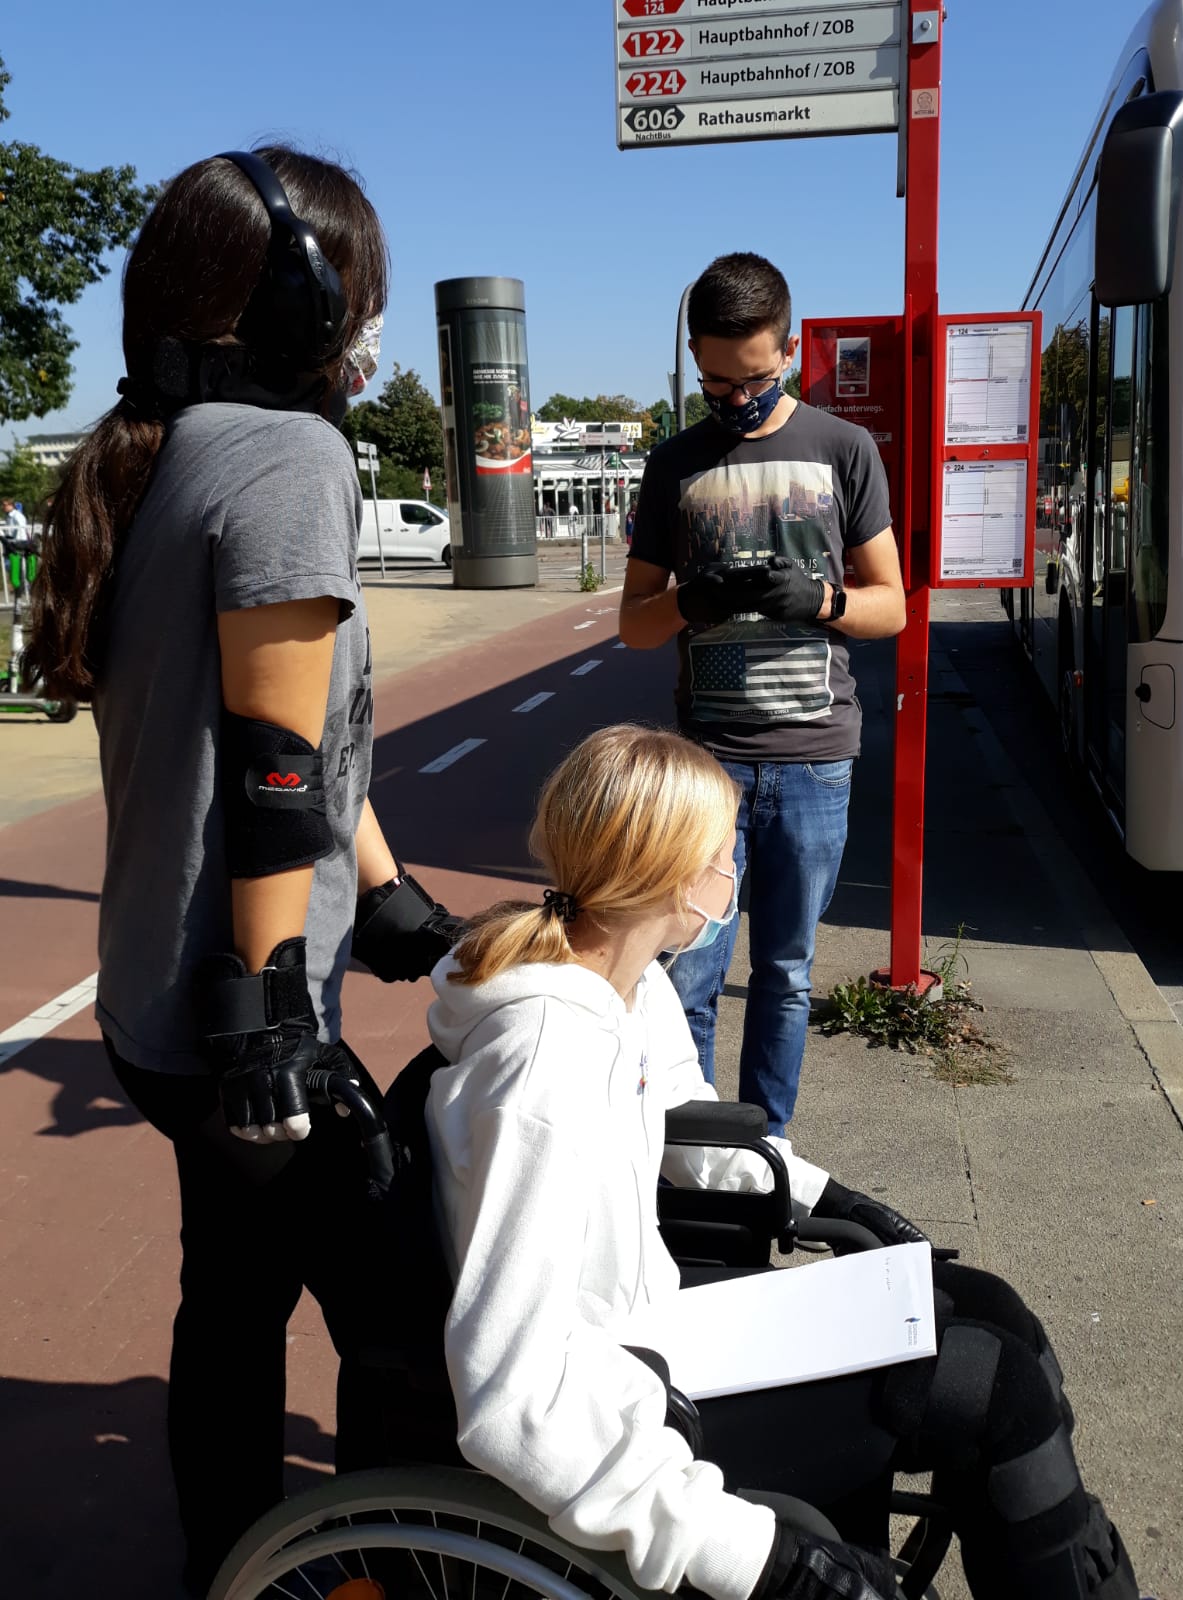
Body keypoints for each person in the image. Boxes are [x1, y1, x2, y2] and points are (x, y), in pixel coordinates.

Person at [26, 147, 460, 1597]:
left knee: (233, 1293)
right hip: (238, 1019)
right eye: (362, 292)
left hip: (160, 997)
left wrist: (386, 890)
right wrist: (276, 1011)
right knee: (404, 1314)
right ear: (303, 299)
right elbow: (278, 775)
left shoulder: (165, 449)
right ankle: (395, 1563)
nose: (368, 326)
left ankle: (231, 1563)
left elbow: (305, 735)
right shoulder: (290, 456)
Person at [424, 724, 1142, 1600]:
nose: (734, 871)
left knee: (993, 1310)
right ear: (670, 876)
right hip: (622, 1401)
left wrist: (829, 1197)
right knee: (993, 1387)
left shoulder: (627, 984)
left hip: (656, 1326)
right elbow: (514, 1399)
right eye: (723, 853)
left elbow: (685, 1121)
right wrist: (755, 1557)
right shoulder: (543, 1065)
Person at [620, 253, 906, 1136]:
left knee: (785, 973)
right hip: (706, 767)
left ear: (789, 349)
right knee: (689, 974)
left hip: (815, 759)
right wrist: (687, 603)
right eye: (716, 380)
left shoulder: (842, 449)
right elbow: (634, 624)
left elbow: (892, 605)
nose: (736, 398)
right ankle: (692, 1151)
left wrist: (818, 601)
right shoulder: (674, 464)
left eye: (753, 377)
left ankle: (767, 1147)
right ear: (695, 360)